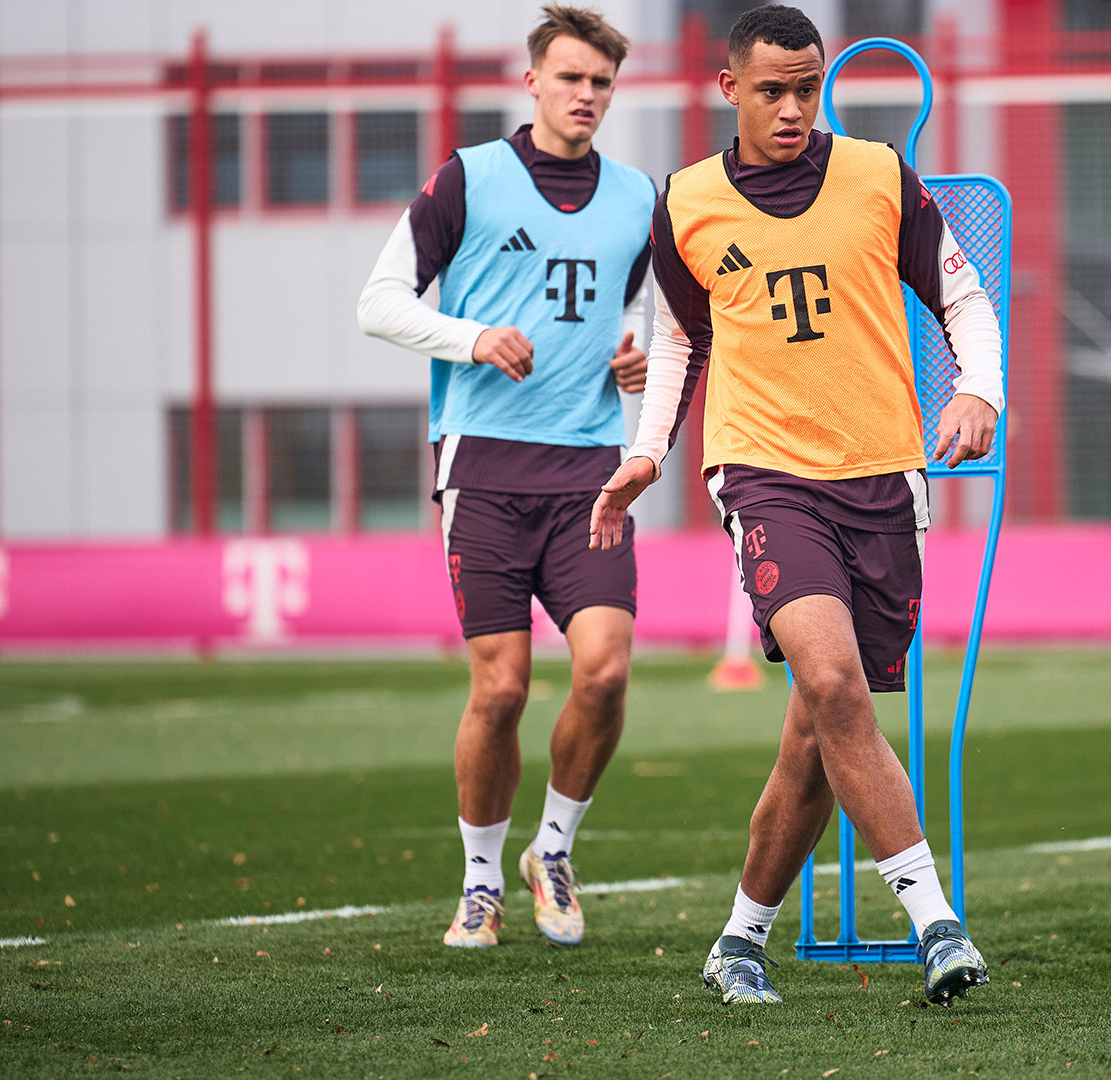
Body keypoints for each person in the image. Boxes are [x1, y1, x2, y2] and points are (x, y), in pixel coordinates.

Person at [587, 4, 1003, 1007]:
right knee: (832, 680)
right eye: (771, 89)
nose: (791, 108)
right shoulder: (685, 201)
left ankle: (739, 940)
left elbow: (961, 293)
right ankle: (938, 924)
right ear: (728, 89)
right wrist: (649, 454)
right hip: (763, 471)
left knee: (819, 736)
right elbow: (680, 340)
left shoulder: (877, 175)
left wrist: (979, 385)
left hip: (883, 472)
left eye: (806, 89)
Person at [355, 4, 656, 948]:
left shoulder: (641, 196)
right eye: (570, 78)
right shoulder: (470, 178)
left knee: (604, 675)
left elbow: (654, 312)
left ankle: (552, 850)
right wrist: (472, 338)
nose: (586, 96)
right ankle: (480, 879)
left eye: (601, 82)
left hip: (590, 474)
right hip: (481, 470)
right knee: (503, 690)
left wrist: (637, 355)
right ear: (532, 82)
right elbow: (377, 305)